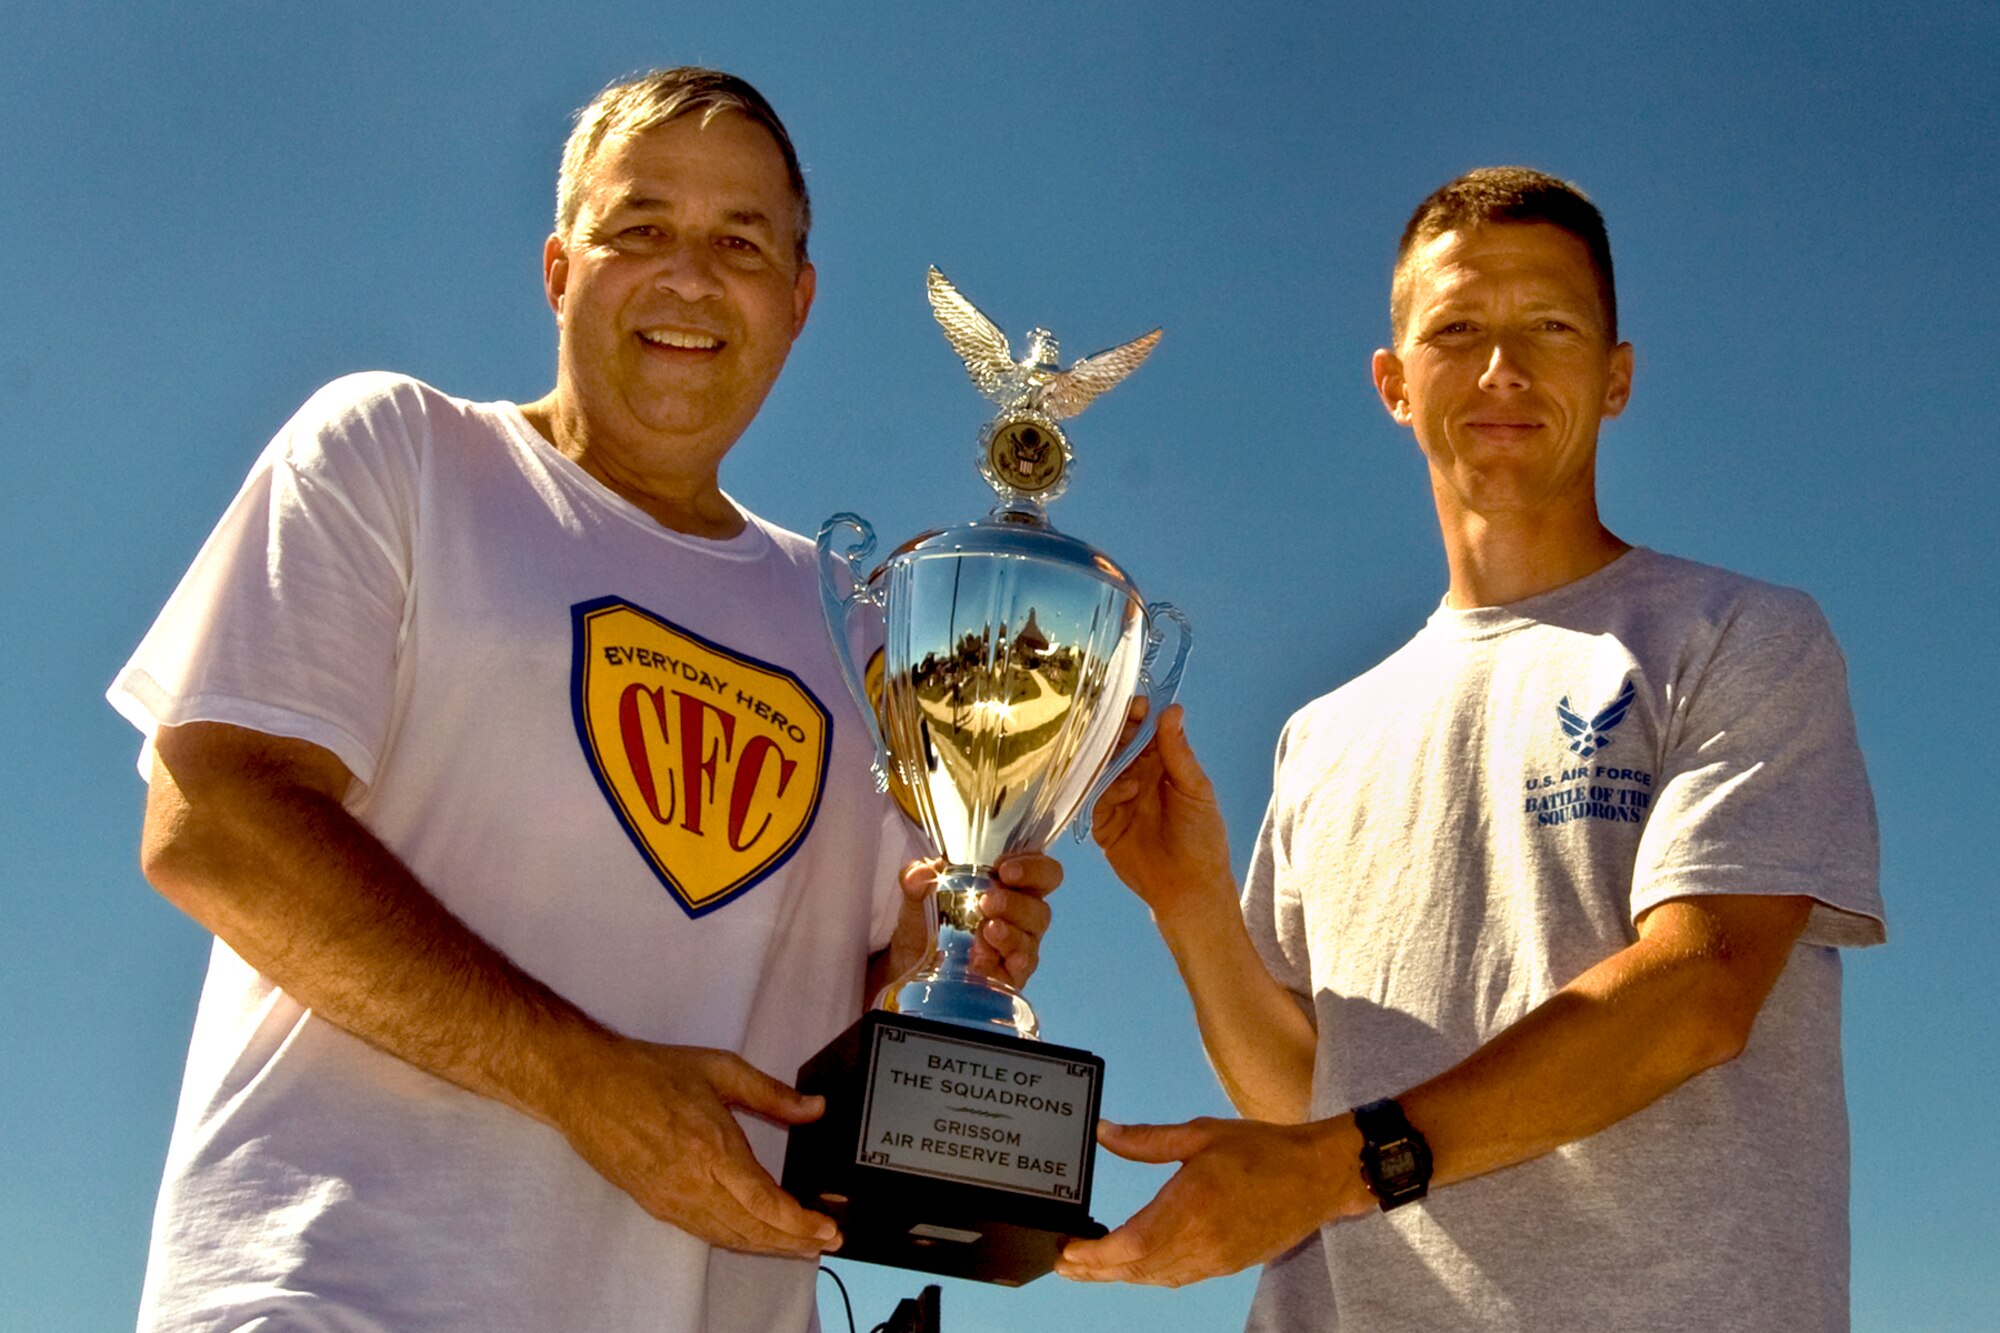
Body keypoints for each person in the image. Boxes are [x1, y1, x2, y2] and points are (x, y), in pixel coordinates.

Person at [107, 68, 1059, 1333]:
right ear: (560, 268)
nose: (688, 276)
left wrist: (945, 956)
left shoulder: (862, 627)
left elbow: (847, 1020)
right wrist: (581, 1081)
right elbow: (213, 820)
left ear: (796, 302)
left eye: (739, 243)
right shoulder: (397, 453)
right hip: (334, 1297)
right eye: (640, 229)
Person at [1058, 167, 1885, 1330]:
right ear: (1394, 382)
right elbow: (1310, 1094)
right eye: (1455, 328)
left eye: (1548, 325)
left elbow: (1699, 988)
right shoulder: (1320, 735)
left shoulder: (1741, 635)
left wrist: (1330, 1164)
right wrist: (1187, 904)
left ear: (1615, 377)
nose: (1501, 368)